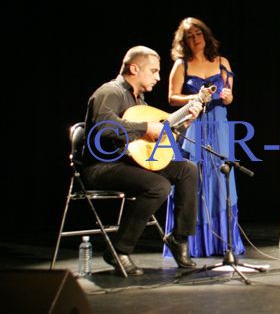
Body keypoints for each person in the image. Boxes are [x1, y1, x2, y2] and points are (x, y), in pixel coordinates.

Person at [82, 46, 201, 276]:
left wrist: (183, 123)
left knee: (187, 169)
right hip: (102, 166)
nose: (158, 77)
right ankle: (119, 249)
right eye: (154, 71)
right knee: (159, 185)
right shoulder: (110, 92)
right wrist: (146, 127)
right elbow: (103, 128)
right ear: (134, 68)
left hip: (131, 163)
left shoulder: (140, 102)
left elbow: (155, 139)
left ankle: (178, 238)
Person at [164, 17, 245, 257]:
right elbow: (171, 98)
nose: (195, 39)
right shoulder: (181, 65)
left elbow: (229, 97)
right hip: (193, 124)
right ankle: (190, 241)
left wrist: (228, 97)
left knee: (222, 176)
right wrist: (196, 97)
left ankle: (223, 242)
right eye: (189, 36)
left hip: (219, 124)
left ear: (205, 35)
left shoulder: (222, 62)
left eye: (198, 34)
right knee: (194, 177)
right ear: (184, 41)